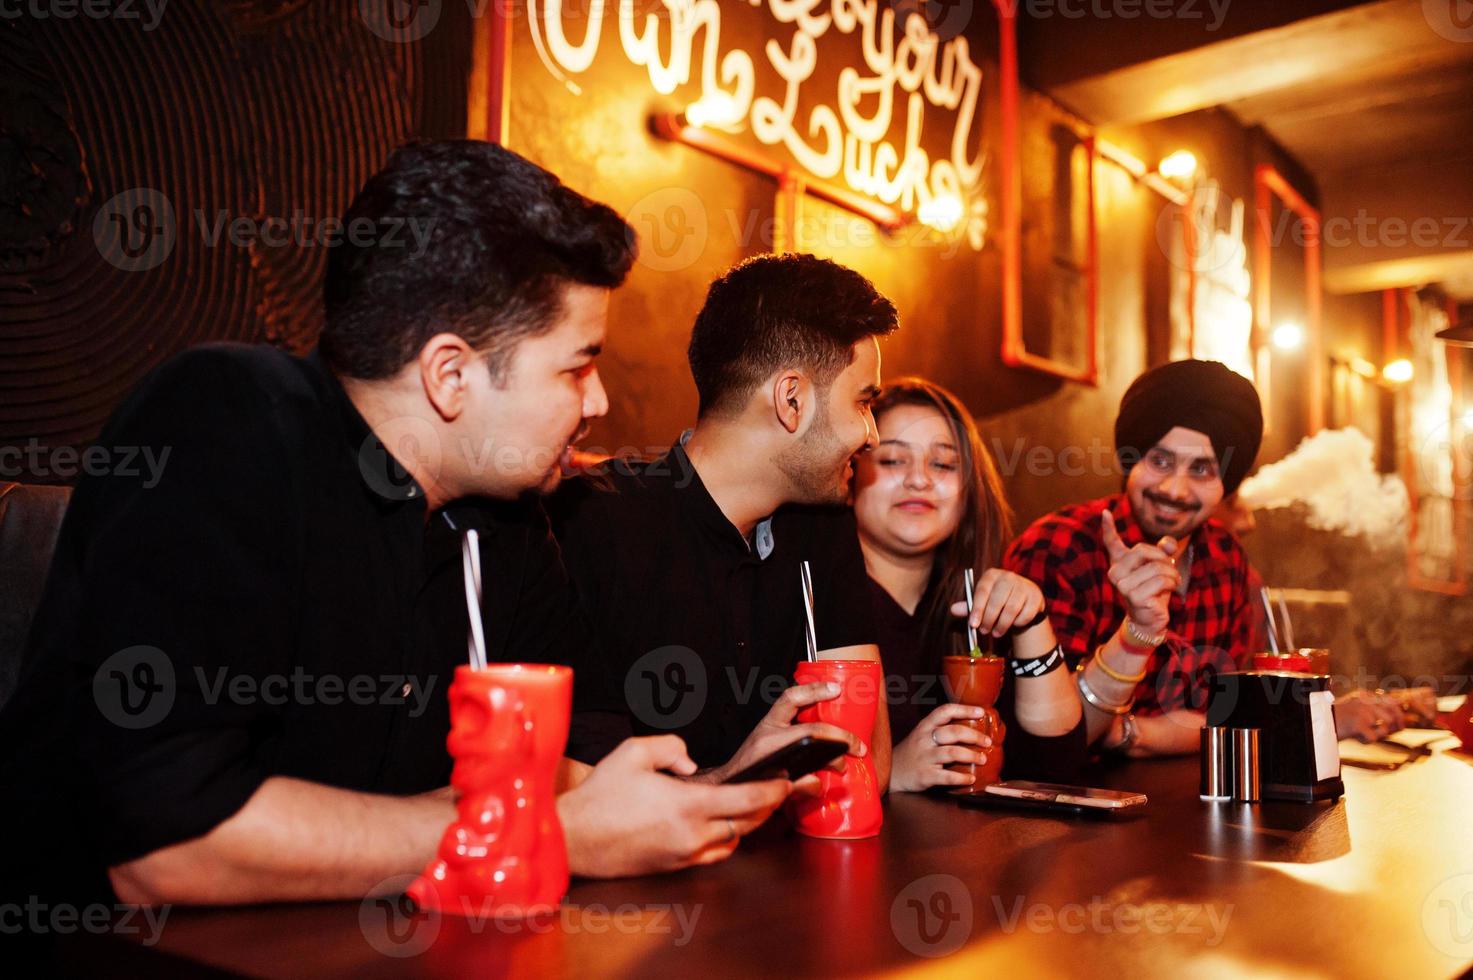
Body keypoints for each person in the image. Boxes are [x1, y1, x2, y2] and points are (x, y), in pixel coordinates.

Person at [0, 141, 796, 912]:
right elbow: (165, 844)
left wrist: (709, 792)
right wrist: (533, 831)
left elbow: (578, 756)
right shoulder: (224, 423)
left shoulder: (506, 518)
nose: (597, 404)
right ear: (449, 375)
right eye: (577, 366)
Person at [551, 253, 893, 787]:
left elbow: (865, 764)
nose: (871, 434)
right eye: (864, 402)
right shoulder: (590, 522)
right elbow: (578, 792)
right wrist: (730, 779)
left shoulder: (821, 525)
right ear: (792, 400)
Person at [1004, 359, 1399, 758]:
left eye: (1202, 469)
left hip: (1198, 804)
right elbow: (1047, 740)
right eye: (1160, 461)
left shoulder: (1225, 559)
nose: (1175, 489)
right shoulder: (1058, 548)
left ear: (1225, 485)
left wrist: (1132, 732)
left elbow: (1238, 716)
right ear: (1132, 459)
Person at [851, 379, 1085, 791]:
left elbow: (1056, 769)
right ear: (848, 474)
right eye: (892, 461)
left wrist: (1033, 622)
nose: (919, 480)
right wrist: (890, 774)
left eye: (943, 465)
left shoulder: (978, 605)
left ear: (969, 490)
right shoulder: (816, 602)